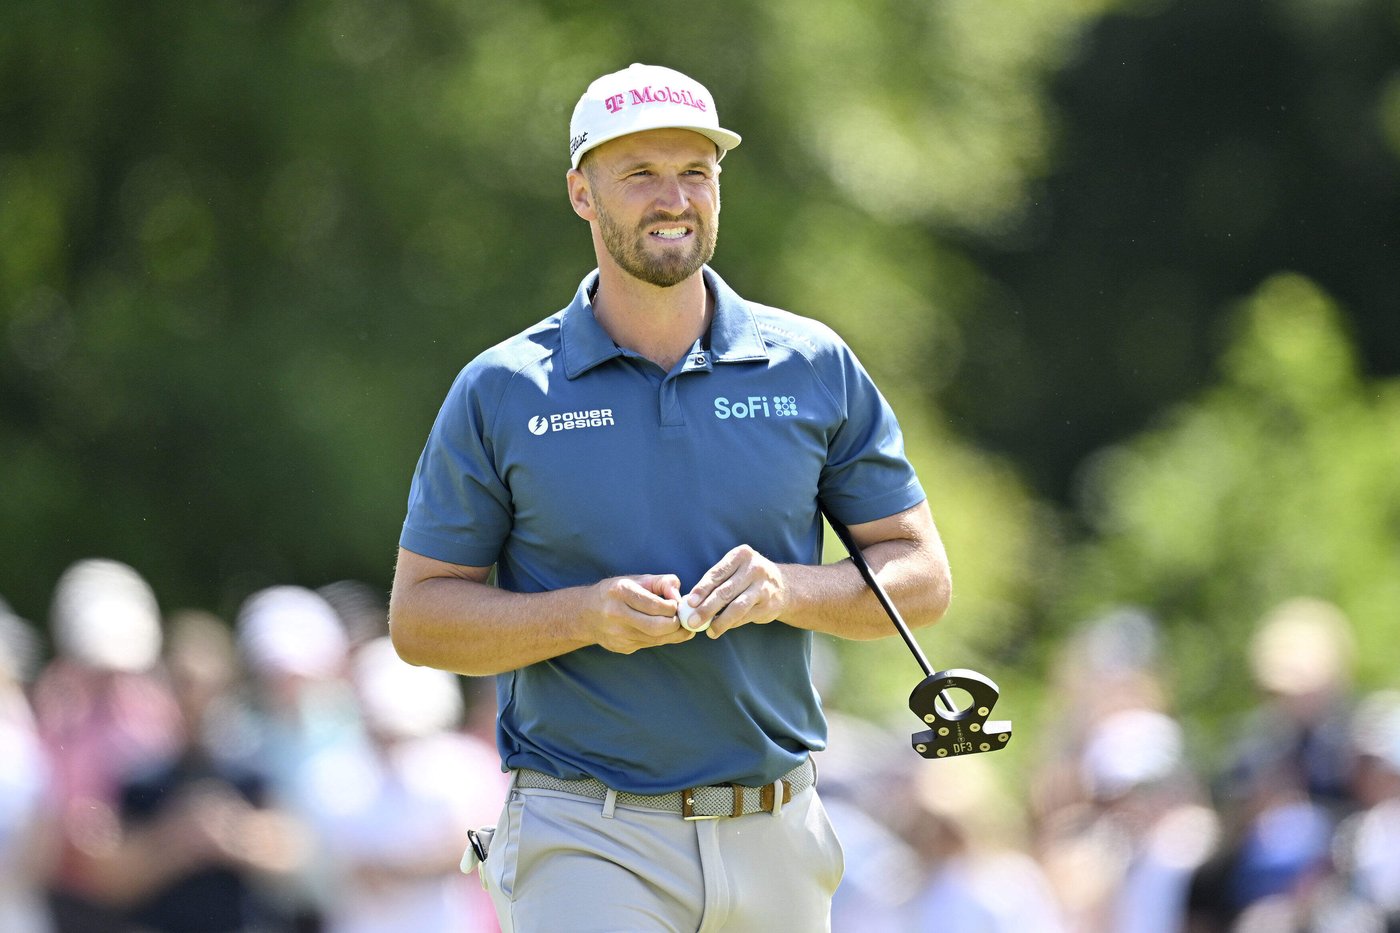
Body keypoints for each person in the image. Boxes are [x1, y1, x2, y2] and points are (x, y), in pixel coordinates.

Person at [389, 62, 952, 932]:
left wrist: (788, 591)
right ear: (582, 193)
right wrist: (584, 615)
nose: (674, 198)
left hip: (777, 830)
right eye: (640, 173)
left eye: (695, 171)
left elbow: (921, 578)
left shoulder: (811, 365)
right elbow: (421, 618)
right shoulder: (501, 389)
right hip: (586, 831)